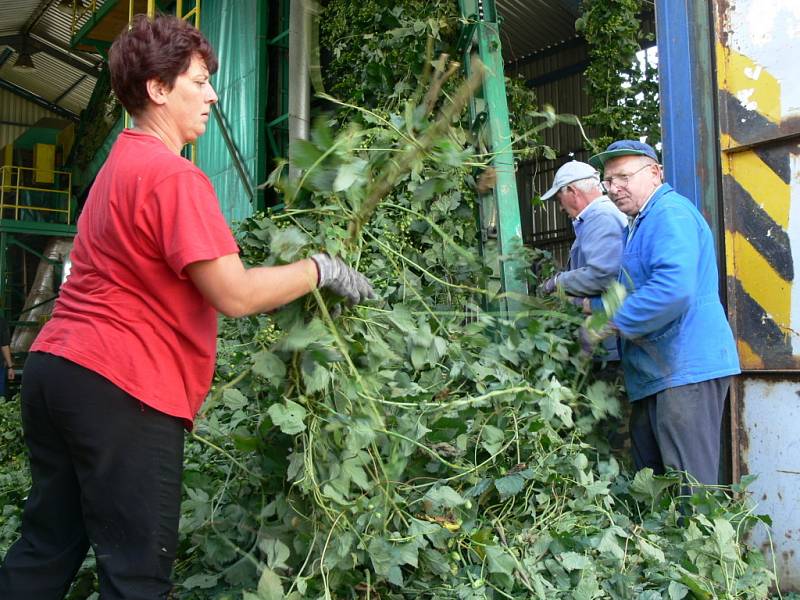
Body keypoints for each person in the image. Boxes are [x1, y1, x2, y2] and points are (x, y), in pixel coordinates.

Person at [0, 15, 373, 600]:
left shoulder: (115, 168)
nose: (212, 94)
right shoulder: (173, 177)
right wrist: (320, 269)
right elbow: (235, 294)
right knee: (136, 575)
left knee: (48, 546)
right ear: (157, 89)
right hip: (121, 386)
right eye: (198, 81)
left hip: (56, 372)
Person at [584, 139, 740, 486]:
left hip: (685, 369)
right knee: (654, 489)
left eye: (623, 176)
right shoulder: (639, 225)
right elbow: (635, 288)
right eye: (608, 181)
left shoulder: (670, 214)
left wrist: (609, 323)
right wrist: (592, 306)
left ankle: (702, 542)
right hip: (657, 373)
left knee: (691, 491)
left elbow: (673, 288)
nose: (614, 188)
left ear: (655, 173)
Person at [538, 160, 627, 360]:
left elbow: (602, 275)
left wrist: (557, 282)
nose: (560, 208)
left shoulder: (601, 218)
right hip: (604, 341)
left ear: (572, 191)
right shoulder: (593, 219)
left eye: (559, 199)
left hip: (610, 347)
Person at [0, 315, 14, 397]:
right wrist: (10, 367)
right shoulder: (2, 322)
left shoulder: (1, 322)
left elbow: (5, 346)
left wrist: (10, 367)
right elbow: (4, 346)